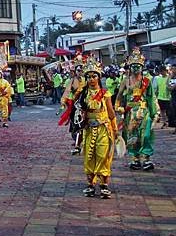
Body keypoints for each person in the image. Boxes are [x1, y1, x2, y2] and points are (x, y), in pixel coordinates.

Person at [76, 57, 118, 198]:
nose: (91, 79)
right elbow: (77, 111)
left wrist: (115, 129)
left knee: (102, 155)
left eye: (94, 76)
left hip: (103, 129)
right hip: (89, 129)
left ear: (99, 77)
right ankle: (90, 184)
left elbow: (111, 113)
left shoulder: (105, 93)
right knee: (89, 156)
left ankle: (104, 185)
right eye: (88, 77)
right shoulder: (83, 94)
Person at [116, 47, 159, 171]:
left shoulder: (147, 81)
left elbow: (151, 97)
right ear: (129, 67)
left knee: (145, 135)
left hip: (144, 112)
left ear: (142, 67)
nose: (135, 68)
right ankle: (134, 158)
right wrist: (118, 107)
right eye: (133, 65)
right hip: (131, 113)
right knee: (131, 136)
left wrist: (154, 112)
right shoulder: (125, 81)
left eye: (138, 66)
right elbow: (119, 96)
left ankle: (146, 158)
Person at [60, 57, 86, 155]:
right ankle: (77, 144)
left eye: (82, 70)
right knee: (76, 123)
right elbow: (66, 92)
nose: (80, 72)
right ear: (75, 71)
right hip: (76, 104)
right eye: (78, 70)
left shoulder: (86, 79)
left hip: (87, 104)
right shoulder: (71, 81)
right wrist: (63, 101)